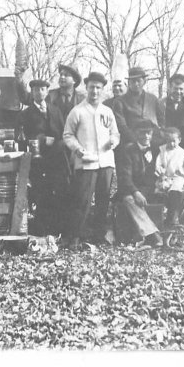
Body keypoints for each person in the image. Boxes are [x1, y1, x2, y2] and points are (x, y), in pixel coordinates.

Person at [62, 71, 120, 249]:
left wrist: (113, 142)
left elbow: (115, 133)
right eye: (92, 87)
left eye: (98, 88)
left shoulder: (107, 111)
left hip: (105, 162)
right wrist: (77, 149)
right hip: (86, 162)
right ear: (86, 88)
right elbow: (67, 135)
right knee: (82, 200)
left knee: (103, 200)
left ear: (103, 90)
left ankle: (98, 235)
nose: (94, 91)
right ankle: (76, 236)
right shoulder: (77, 111)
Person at [19, 78, 67, 235]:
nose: (38, 92)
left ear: (47, 92)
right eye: (35, 90)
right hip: (38, 160)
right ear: (31, 93)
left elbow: (64, 132)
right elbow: (20, 137)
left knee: (57, 189)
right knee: (40, 192)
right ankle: (40, 228)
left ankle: (56, 227)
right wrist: (42, 139)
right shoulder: (25, 114)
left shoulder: (55, 110)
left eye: (42, 89)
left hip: (57, 159)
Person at [113, 120, 164, 247]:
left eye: (149, 133)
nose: (146, 136)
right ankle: (153, 234)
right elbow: (124, 177)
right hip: (132, 189)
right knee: (129, 199)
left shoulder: (158, 149)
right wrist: (136, 192)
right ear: (136, 134)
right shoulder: (127, 150)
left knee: (179, 194)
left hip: (153, 188)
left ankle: (172, 231)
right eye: (142, 133)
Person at [155, 126, 184, 228]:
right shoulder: (162, 151)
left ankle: (172, 217)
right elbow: (158, 163)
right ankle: (160, 221)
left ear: (179, 140)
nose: (171, 144)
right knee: (158, 190)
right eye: (168, 141)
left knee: (176, 192)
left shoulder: (182, 153)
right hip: (164, 177)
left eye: (174, 141)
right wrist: (159, 171)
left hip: (177, 177)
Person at [112, 67, 166, 146]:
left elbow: (161, 120)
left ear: (144, 81)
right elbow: (121, 125)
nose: (136, 84)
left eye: (139, 81)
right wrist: (136, 141)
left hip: (154, 141)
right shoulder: (120, 101)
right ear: (128, 82)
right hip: (131, 143)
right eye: (133, 81)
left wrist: (159, 135)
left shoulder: (153, 99)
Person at [164, 73, 184, 155]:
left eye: (181, 89)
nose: (178, 92)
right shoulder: (161, 105)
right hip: (164, 147)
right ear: (170, 88)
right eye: (175, 88)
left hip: (183, 149)